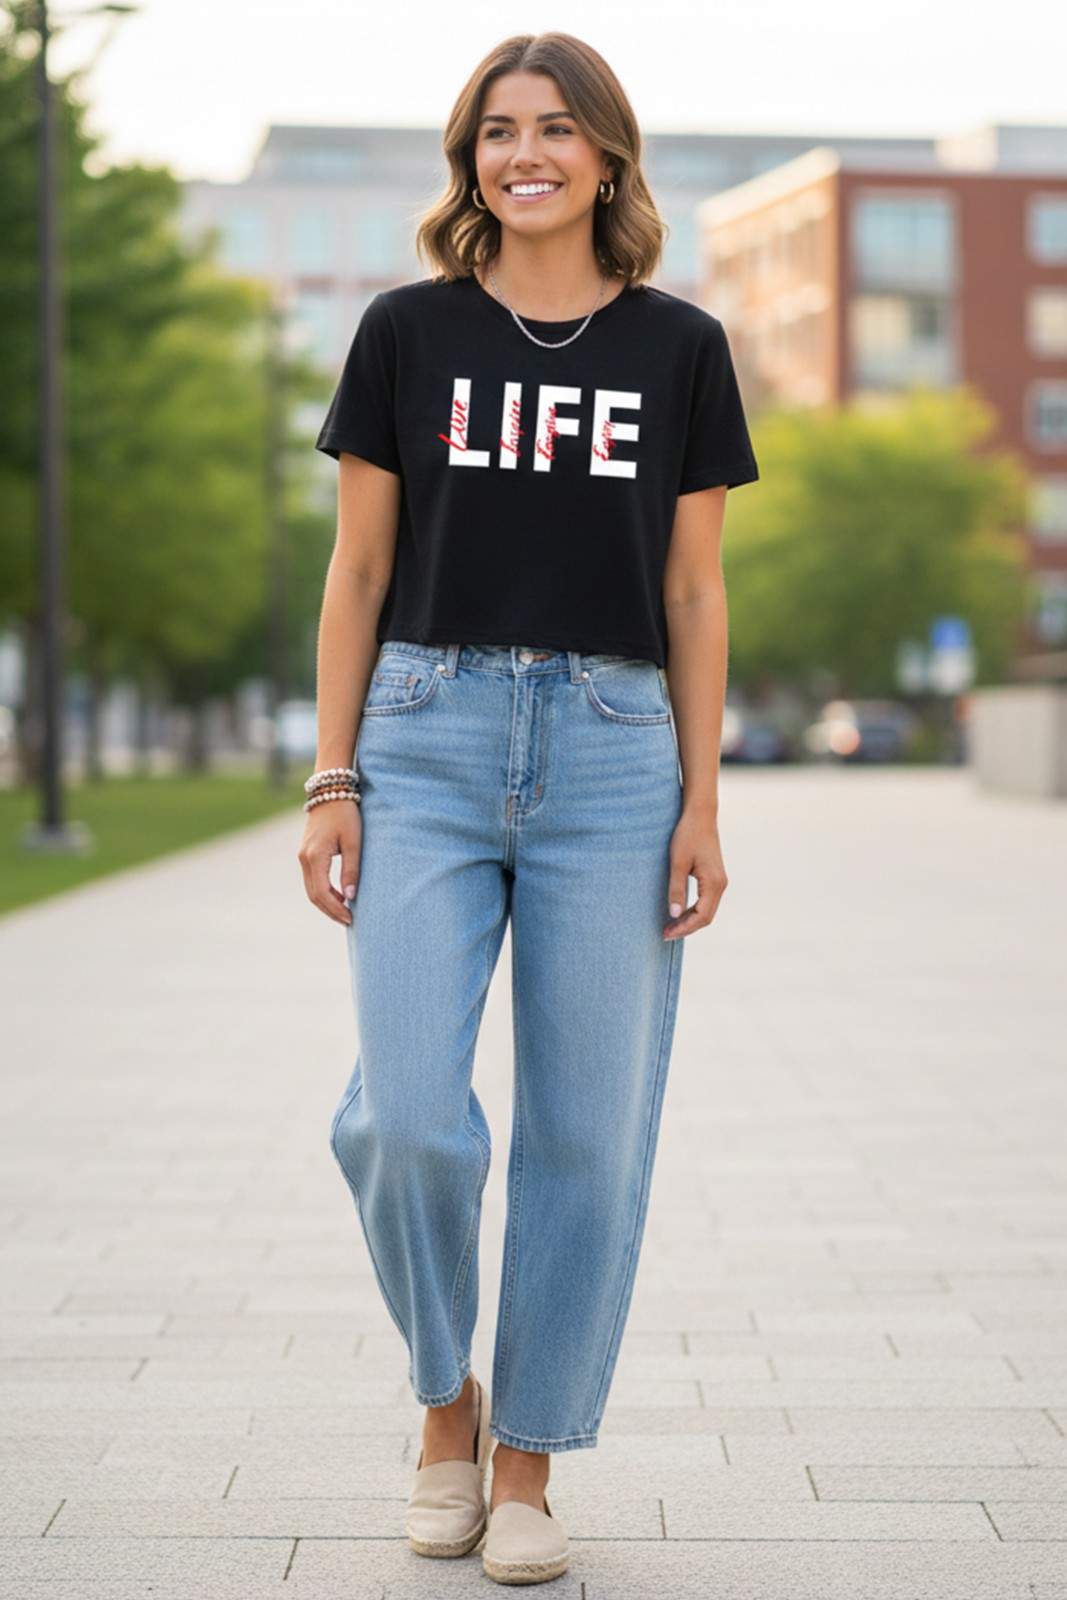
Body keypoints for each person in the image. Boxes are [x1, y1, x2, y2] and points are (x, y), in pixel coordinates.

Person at [299, 29, 759, 1587]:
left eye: (557, 129)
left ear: (610, 156)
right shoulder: (406, 333)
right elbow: (358, 570)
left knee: (588, 1136)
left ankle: (525, 1469)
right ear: (469, 159)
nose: (526, 154)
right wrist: (332, 772)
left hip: (620, 753)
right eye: (499, 131)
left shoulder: (682, 347)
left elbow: (694, 590)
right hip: (423, 736)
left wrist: (702, 799)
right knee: (404, 1118)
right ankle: (446, 1398)